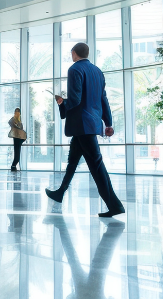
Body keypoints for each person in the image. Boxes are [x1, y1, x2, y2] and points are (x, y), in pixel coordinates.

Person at [45, 42, 125, 218]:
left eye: (71, 53)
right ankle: (59, 193)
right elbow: (103, 99)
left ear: (74, 53)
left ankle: (115, 205)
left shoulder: (74, 70)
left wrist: (62, 102)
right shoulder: (97, 71)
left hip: (81, 124)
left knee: (97, 166)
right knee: (72, 161)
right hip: (92, 123)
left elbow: (75, 99)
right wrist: (108, 122)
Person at [8, 107, 26, 172]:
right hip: (16, 138)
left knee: (17, 154)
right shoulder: (13, 120)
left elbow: (21, 127)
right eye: (16, 112)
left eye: (18, 113)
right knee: (17, 154)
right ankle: (13, 166)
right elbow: (10, 122)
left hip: (18, 138)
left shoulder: (19, 121)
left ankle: (13, 166)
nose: (18, 114)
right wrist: (16, 126)